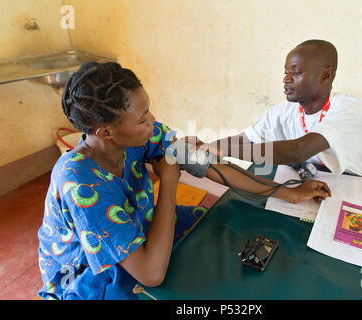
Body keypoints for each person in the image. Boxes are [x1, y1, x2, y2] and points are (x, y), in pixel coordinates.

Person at [37, 62, 331, 300]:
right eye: (142, 119)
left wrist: (282, 192)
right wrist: (168, 179)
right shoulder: (80, 183)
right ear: (105, 132)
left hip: (139, 222)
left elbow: (206, 163)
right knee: (159, 286)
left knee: (220, 227)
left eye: (148, 110)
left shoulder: (139, 137)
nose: (152, 121)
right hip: (88, 268)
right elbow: (151, 273)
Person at [197, 39, 362, 180]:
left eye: (296, 72)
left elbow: (298, 150)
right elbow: (244, 138)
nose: (286, 79)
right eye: (286, 72)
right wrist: (208, 147)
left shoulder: (348, 109)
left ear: (326, 75)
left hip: (358, 191)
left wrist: (229, 151)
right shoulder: (284, 111)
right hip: (313, 185)